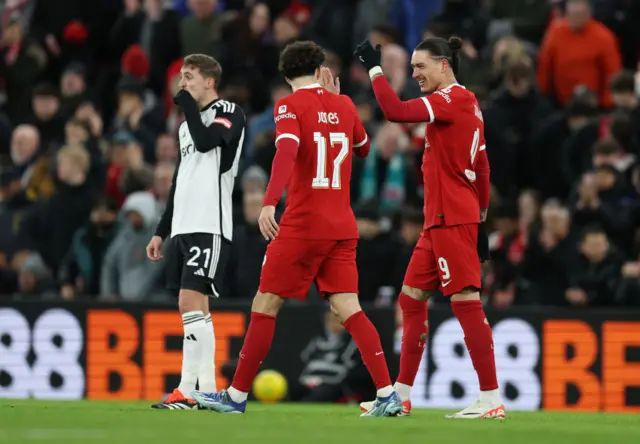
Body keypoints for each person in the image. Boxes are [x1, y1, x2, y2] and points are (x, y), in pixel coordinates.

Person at [191, 41, 402, 417]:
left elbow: (286, 151)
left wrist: (270, 201)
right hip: (342, 225)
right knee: (348, 306)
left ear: (286, 76)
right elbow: (364, 148)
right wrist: (338, 105)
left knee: (266, 302)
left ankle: (237, 396)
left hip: (304, 223)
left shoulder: (288, 105)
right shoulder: (345, 104)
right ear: (321, 69)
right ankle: (387, 393)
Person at [354, 37, 503, 419]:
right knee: (410, 299)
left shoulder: (452, 99)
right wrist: (482, 214)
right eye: (414, 67)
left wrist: (375, 68)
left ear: (444, 65)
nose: (416, 74)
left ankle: (490, 399)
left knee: (465, 301)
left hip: (451, 218)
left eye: (421, 67)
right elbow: (482, 165)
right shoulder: (467, 106)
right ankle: (400, 397)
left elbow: (394, 110)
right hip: (441, 219)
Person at [146, 54, 246, 409]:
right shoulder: (185, 125)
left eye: (189, 77)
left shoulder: (230, 111)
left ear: (209, 81)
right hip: (184, 225)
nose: (182, 83)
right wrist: (161, 230)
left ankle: (187, 391)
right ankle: (206, 390)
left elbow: (208, 143)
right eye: (181, 77)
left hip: (210, 223)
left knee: (189, 302)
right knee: (198, 308)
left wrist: (187, 104)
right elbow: (179, 180)